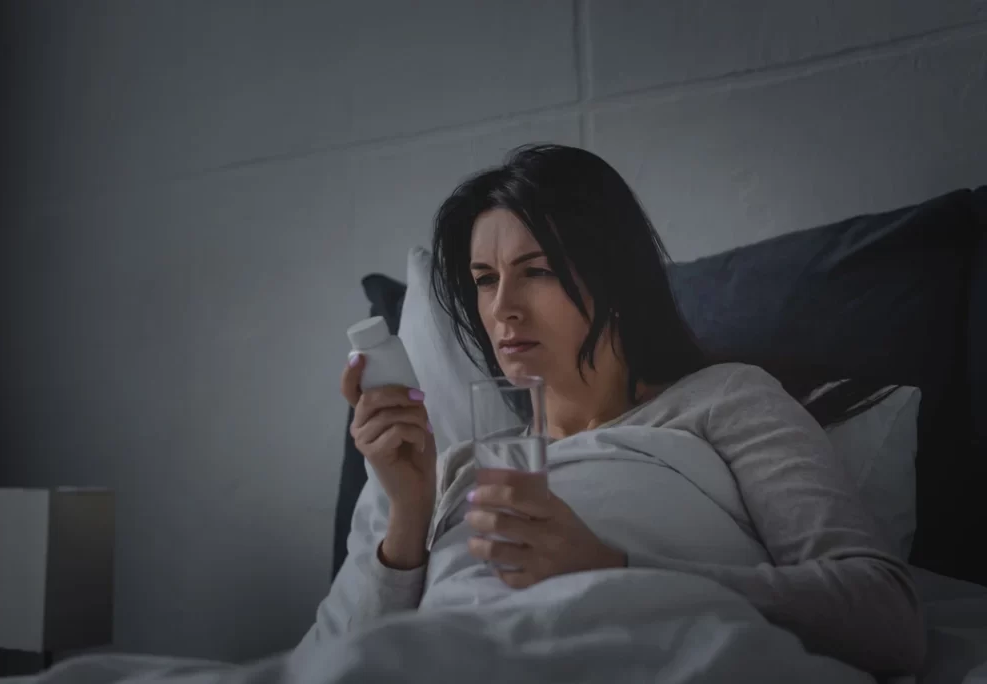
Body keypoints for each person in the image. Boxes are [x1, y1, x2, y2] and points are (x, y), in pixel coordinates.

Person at [303, 144, 925, 676]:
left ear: (617, 280)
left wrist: (612, 568)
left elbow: (887, 615)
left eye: (536, 270)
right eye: (486, 279)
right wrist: (408, 515)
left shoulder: (723, 399)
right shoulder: (461, 467)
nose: (502, 309)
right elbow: (346, 663)